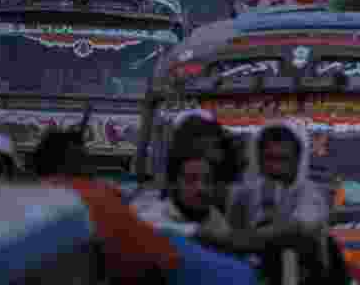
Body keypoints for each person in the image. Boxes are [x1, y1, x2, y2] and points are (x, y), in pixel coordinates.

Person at [33, 128, 182, 284]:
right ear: (73, 158)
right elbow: (164, 258)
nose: (91, 163)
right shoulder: (98, 195)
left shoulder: (27, 201)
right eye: (84, 156)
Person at [227, 120, 338, 285]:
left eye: (283, 159)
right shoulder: (244, 194)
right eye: (269, 158)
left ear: (297, 161)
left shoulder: (309, 194)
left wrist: (248, 237)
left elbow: (300, 226)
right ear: (258, 159)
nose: (275, 167)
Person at [137, 137, 233, 242]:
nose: (201, 188)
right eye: (190, 179)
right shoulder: (152, 217)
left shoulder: (216, 219)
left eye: (207, 181)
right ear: (174, 184)